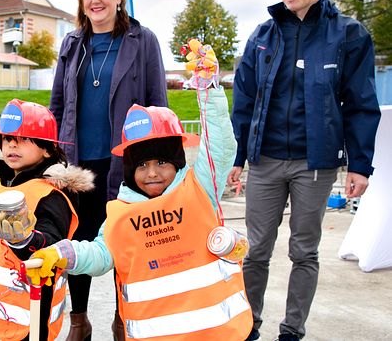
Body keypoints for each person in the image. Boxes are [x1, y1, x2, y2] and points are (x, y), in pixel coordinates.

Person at [226, 0, 381, 341]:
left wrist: (360, 165)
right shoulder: (262, 36)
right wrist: (238, 159)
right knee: (255, 250)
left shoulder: (349, 36)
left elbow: (361, 103)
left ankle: (292, 330)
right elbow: (242, 102)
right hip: (264, 161)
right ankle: (248, 325)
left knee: (304, 252)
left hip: (317, 164)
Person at [28, 76, 253, 340]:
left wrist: (210, 90)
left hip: (218, 333)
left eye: (161, 162)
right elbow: (101, 254)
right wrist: (61, 252)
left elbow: (221, 147)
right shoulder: (121, 213)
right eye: (142, 165)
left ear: (177, 161)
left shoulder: (199, 188)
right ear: (129, 169)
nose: (152, 173)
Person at [49, 0, 168, 340]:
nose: (95, 0)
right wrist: (52, 155)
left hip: (126, 164)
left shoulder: (142, 40)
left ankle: (124, 319)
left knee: (126, 242)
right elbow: (56, 105)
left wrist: (158, 162)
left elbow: (157, 102)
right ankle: (80, 321)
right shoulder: (71, 43)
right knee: (78, 243)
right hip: (79, 167)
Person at [0, 99, 94, 341]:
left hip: (29, 315)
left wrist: (25, 240)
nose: (12, 144)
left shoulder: (49, 195)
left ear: (46, 149)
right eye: (7, 138)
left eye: (23, 138)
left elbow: (50, 244)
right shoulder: (1, 186)